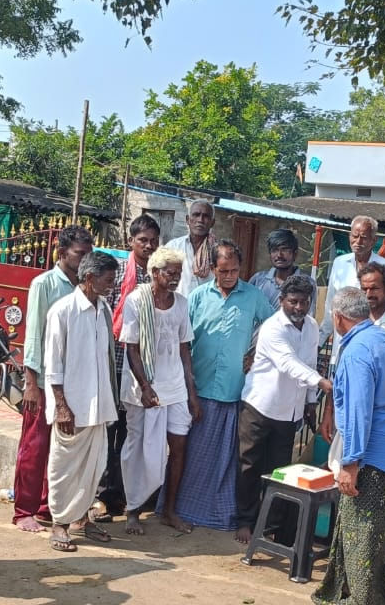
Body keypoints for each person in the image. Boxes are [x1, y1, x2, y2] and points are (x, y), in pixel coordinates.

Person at [312, 287, 385, 605]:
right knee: (371, 535)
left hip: (374, 457)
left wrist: (350, 463)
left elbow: (359, 412)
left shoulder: (357, 351)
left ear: (338, 317)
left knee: (365, 539)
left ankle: (362, 600)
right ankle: (343, 592)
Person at [174, 240, 274, 531]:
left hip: (233, 391)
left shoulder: (254, 297)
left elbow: (273, 328)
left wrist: (255, 354)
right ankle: (183, 508)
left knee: (226, 461)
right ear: (214, 270)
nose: (230, 275)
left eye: (235, 270)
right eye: (224, 270)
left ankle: (220, 513)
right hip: (198, 389)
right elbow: (183, 339)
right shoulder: (197, 297)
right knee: (193, 456)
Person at [236, 275, 331, 544]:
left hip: (290, 412)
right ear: (282, 301)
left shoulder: (311, 326)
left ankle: (272, 525)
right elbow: (288, 363)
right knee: (249, 466)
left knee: (280, 471)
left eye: (304, 302)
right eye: (293, 302)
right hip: (260, 406)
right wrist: (322, 383)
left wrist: (311, 400)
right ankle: (244, 521)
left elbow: (310, 362)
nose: (299, 308)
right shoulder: (272, 328)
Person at [12, 225, 95, 532]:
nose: (85, 259)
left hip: (74, 382)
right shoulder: (44, 284)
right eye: (80, 254)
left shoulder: (86, 287)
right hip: (45, 380)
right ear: (63, 254)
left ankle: (51, 505)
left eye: (89, 254)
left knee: (63, 448)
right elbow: (33, 336)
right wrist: (31, 383)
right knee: (35, 446)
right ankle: (24, 510)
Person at [43, 251, 120, 552]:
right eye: (108, 279)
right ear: (89, 278)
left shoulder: (103, 309)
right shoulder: (62, 311)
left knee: (94, 466)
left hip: (98, 406)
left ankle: (81, 521)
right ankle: (59, 524)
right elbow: (53, 365)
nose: (111, 285)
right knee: (64, 467)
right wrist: (61, 404)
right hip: (71, 407)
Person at [119, 246, 197, 536]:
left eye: (178, 273)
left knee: (178, 448)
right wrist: (146, 386)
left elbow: (184, 348)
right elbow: (132, 347)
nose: (175, 278)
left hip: (175, 386)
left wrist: (191, 393)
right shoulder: (136, 301)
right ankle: (133, 510)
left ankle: (169, 510)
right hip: (143, 388)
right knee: (139, 450)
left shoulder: (181, 303)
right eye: (170, 273)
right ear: (154, 273)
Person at [97, 213, 162, 520]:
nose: (148, 246)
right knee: (106, 428)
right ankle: (103, 494)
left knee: (130, 432)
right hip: (114, 360)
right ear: (130, 242)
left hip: (140, 366)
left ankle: (124, 494)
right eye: (143, 240)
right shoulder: (119, 271)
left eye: (153, 241)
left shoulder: (158, 278)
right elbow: (104, 310)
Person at [320, 215, 385, 356]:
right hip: (342, 341)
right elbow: (331, 305)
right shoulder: (339, 263)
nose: (358, 241)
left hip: (372, 342)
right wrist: (322, 337)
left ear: (373, 241)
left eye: (364, 237)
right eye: (354, 236)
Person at [249, 227, 317, 312]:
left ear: (295, 254)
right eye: (274, 250)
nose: (279, 255)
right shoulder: (258, 280)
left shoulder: (307, 283)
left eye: (284, 250)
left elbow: (308, 317)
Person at [165, 199, 216, 297]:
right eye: (196, 215)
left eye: (206, 216)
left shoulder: (218, 251)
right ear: (187, 219)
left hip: (207, 309)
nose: (200, 220)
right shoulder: (173, 247)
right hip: (177, 308)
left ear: (212, 222)